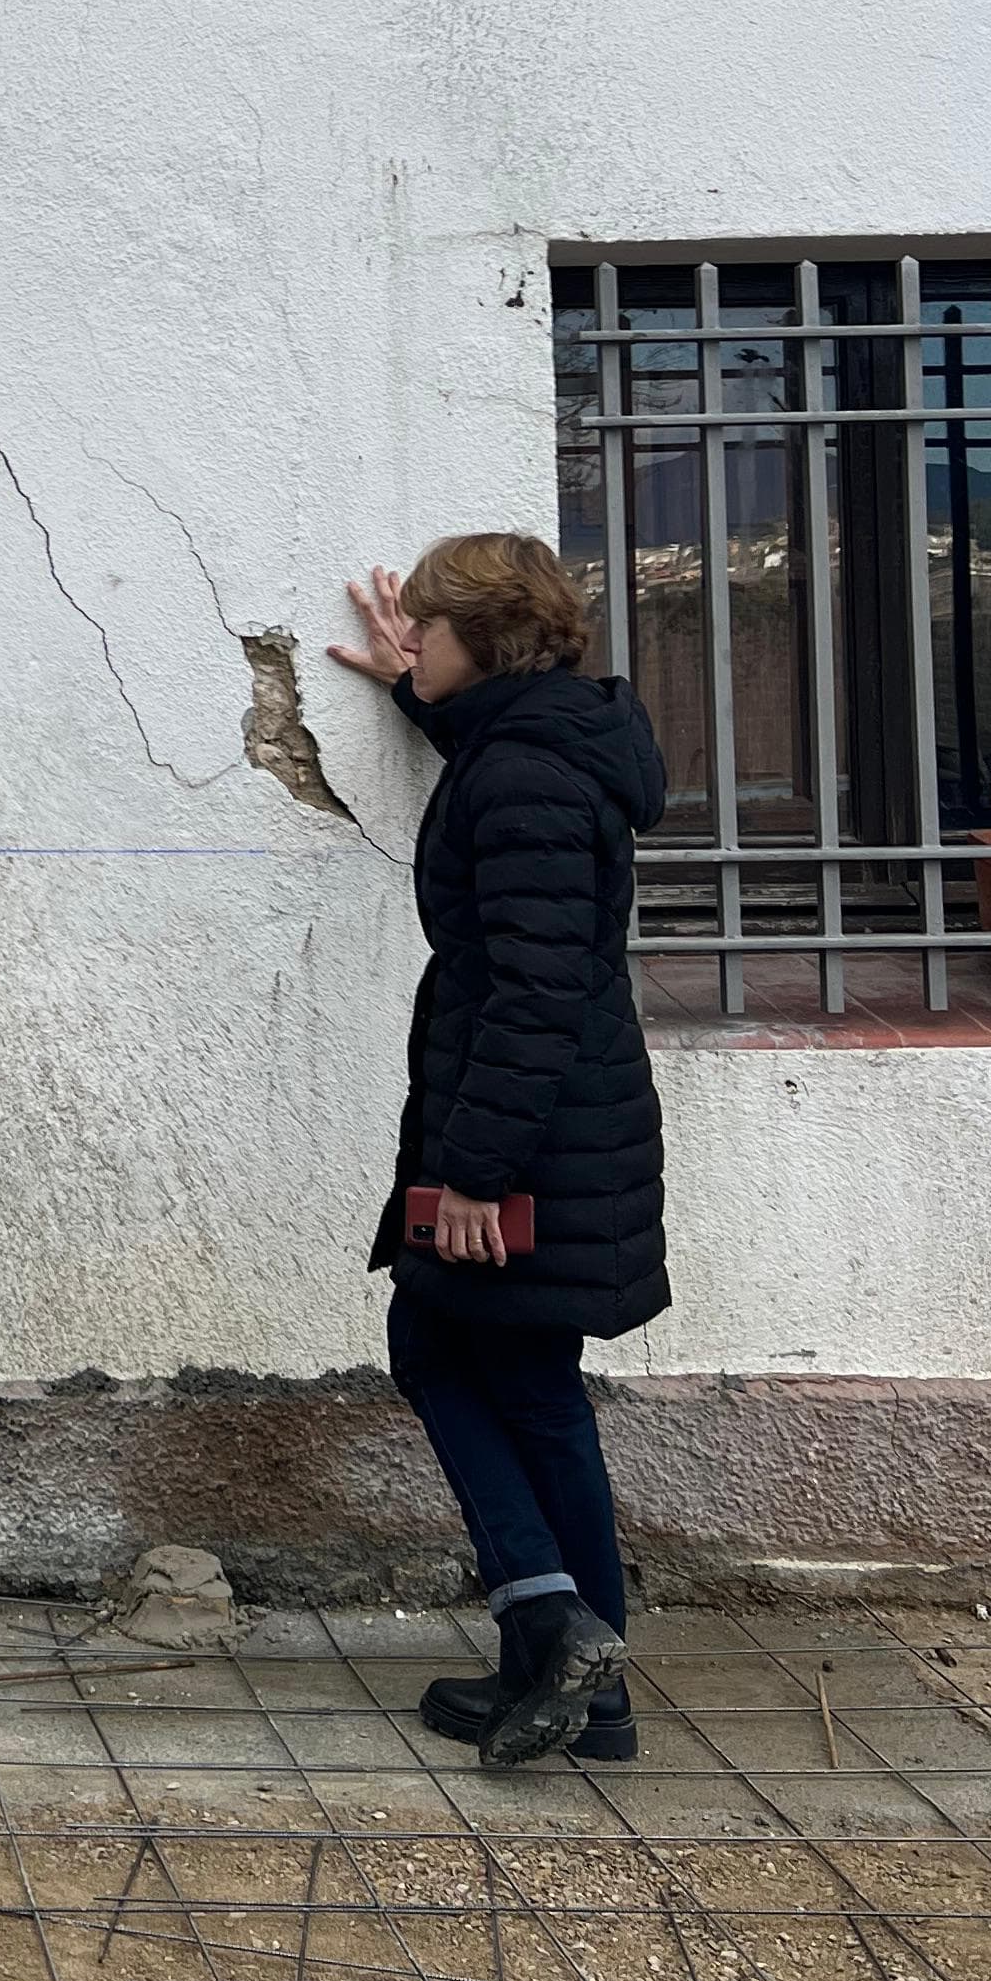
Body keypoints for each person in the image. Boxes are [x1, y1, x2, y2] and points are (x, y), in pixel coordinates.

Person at [332, 531, 669, 1769]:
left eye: (429, 626)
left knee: (458, 1354)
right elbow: (502, 788)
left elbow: (535, 989)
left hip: (530, 1132)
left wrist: (476, 1173)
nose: (412, 637)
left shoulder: (526, 773)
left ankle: (556, 1625)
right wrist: (413, 690)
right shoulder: (543, 744)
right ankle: (579, 1673)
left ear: (484, 638)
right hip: (560, 1123)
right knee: (518, 1377)